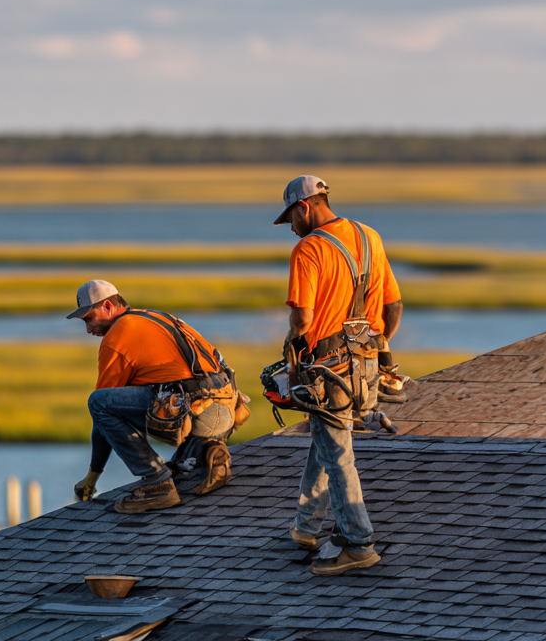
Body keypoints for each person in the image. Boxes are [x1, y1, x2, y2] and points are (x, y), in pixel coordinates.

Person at [275, 175, 403, 576]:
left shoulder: (308, 249)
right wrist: (371, 345)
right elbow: (393, 306)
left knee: (338, 454)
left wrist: (292, 349)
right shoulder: (369, 237)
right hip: (364, 362)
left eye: (291, 218)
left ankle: (358, 541)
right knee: (327, 439)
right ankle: (307, 526)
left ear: (305, 206)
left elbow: (303, 319)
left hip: (328, 369)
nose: (291, 227)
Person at [67, 279, 237, 512]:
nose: (88, 329)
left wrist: (92, 476)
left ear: (107, 306)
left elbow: (102, 412)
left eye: (89, 319)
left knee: (98, 402)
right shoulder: (156, 316)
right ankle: (209, 450)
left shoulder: (117, 335)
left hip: (193, 411)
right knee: (178, 455)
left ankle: (157, 483)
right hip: (225, 410)